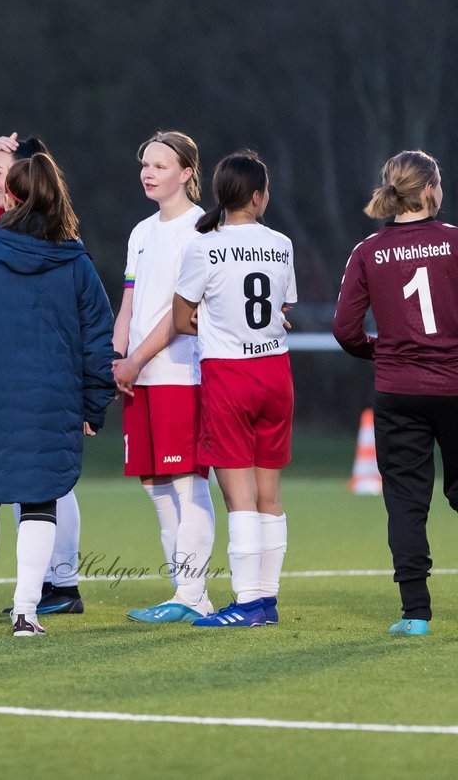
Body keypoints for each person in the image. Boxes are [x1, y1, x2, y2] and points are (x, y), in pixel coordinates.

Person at [0, 154, 115, 637]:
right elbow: (99, 339)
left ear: (9, 197)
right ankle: (26, 612)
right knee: (40, 499)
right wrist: (94, 403)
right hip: (52, 398)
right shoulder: (76, 263)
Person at [332, 150, 458, 636]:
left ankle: (415, 614)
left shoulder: (368, 251)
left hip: (397, 390)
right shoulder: (453, 242)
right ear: (429, 189)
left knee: (406, 501)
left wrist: (381, 353)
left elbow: (345, 329)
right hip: (453, 386)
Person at [172, 150, 295, 628]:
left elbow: (183, 319)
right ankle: (266, 599)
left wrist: (209, 320)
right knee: (270, 494)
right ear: (260, 197)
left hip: (230, 375)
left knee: (238, 497)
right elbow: (282, 309)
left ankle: (246, 602)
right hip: (276, 373)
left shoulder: (203, 245)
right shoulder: (281, 243)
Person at [116, 130, 219, 624]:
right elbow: (131, 303)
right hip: (138, 375)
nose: (148, 173)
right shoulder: (141, 232)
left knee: (185, 479)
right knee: (154, 483)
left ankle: (194, 592)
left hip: (181, 371)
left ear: (186, 172)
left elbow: (183, 313)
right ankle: (183, 591)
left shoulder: (201, 230)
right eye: (145, 165)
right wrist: (117, 357)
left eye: (159, 165)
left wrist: (137, 360)